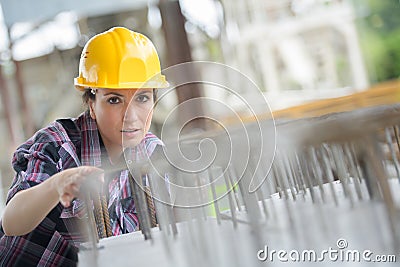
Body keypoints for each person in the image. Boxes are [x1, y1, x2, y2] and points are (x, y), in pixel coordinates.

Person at [0, 26, 169, 266]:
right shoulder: (57, 145)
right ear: (91, 103)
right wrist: (57, 185)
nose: (131, 116)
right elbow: (12, 222)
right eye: (114, 100)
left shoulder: (152, 154)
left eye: (142, 98)